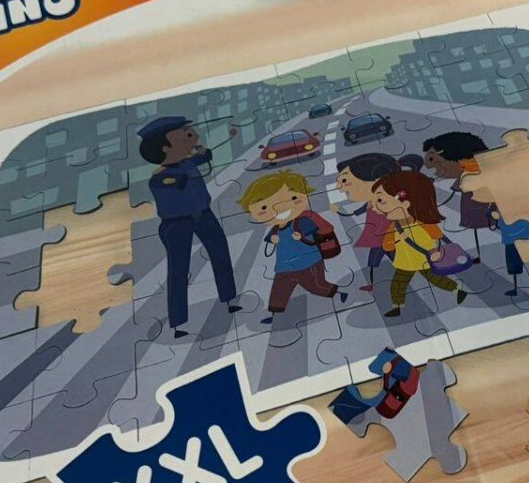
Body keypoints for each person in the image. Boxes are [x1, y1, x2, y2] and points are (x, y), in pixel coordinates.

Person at [137, 116, 240, 338]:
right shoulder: (160, 178)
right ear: (165, 148)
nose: (192, 137)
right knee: (178, 270)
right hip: (176, 225)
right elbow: (179, 180)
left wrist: (203, 151)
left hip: (204, 216)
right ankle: (178, 323)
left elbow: (206, 156)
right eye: (185, 136)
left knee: (221, 256)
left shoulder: (187, 162)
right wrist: (193, 157)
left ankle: (230, 300)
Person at [423, 130, 528, 297]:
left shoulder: (480, 169)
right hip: (478, 208)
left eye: (435, 161)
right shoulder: (467, 170)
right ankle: (484, 257)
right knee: (500, 236)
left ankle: (522, 275)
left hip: (495, 210)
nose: (435, 168)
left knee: (511, 240)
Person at [237, 170, 348, 323]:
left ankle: (339, 293)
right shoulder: (276, 227)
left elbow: (313, 238)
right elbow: (271, 242)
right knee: (279, 291)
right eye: (263, 208)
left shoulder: (302, 221)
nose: (281, 208)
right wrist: (274, 239)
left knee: (317, 286)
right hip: (284, 266)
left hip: (308, 262)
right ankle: (273, 316)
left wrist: (301, 237)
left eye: (293, 198)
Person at [370, 170, 468, 318]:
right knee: (397, 285)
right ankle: (397, 307)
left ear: (405, 203)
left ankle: (458, 289)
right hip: (405, 262)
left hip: (427, 259)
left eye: (380, 201)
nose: (374, 208)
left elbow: (438, 236)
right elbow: (387, 245)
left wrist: (437, 252)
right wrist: (393, 241)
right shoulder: (394, 226)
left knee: (437, 279)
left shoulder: (423, 223)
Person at [332, 151, 421, 292]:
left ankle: (412, 273)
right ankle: (373, 284)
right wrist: (339, 211)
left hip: (389, 237)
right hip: (378, 239)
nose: (339, 187)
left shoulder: (390, 200)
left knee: (388, 260)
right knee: (377, 262)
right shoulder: (372, 201)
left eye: (346, 181)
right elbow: (357, 212)